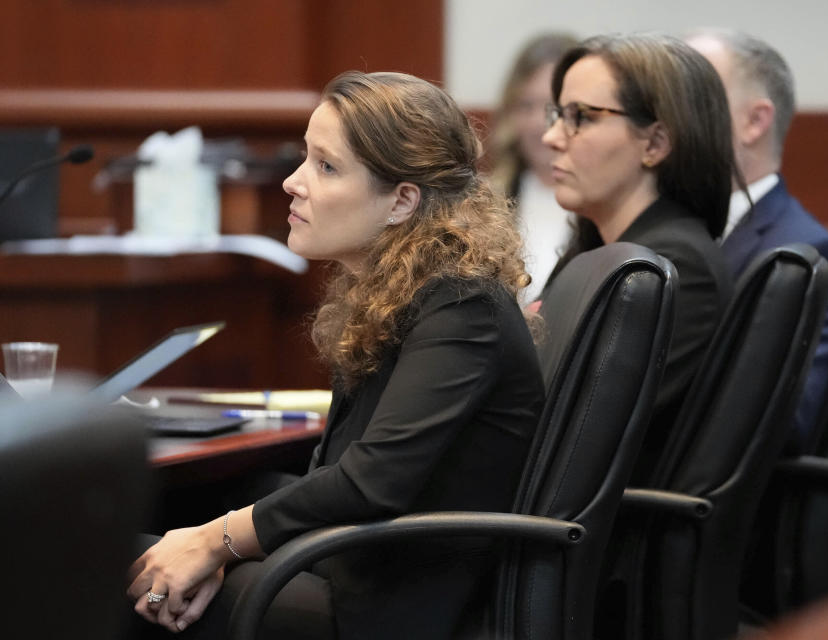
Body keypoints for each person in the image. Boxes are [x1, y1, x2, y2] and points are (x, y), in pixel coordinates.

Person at [126, 71, 545, 639]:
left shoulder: (463, 304)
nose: (292, 183)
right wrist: (214, 539)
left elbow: (371, 482)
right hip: (350, 561)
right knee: (158, 524)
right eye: (306, 158)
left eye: (326, 167)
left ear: (401, 201)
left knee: (98, 562)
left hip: (388, 602)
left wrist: (214, 540)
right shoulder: (404, 287)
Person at [542, 33, 734, 452]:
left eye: (582, 117)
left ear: (655, 144)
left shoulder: (672, 265)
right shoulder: (594, 250)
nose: (552, 137)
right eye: (557, 114)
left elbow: (578, 433)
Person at [685, 28, 828, 448]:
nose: (665, 116)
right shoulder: (670, 229)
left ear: (754, 121)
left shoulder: (803, 254)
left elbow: (788, 424)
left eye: (693, 96)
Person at [489, 32, 579, 304]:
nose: (538, 124)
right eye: (526, 106)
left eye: (553, 108)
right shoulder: (488, 200)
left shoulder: (603, 205)